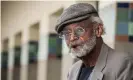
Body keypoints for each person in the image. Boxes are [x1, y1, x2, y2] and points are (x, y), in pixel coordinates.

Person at [55, 3, 133, 80]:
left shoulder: (124, 64)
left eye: (79, 30)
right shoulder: (73, 70)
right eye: (67, 33)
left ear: (98, 30)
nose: (72, 38)